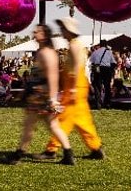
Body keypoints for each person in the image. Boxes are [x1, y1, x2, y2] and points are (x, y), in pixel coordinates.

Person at [36, 18, 104, 162]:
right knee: (83, 120)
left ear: (69, 30)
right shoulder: (76, 45)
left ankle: (51, 149)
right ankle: (96, 148)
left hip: (74, 87)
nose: (61, 31)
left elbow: (76, 67)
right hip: (77, 87)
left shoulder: (74, 46)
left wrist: (72, 89)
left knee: (62, 119)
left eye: (63, 28)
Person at [5, 24, 74, 166]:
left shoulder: (46, 53)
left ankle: (18, 154)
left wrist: (52, 99)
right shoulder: (43, 51)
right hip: (40, 94)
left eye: (38, 31)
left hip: (41, 95)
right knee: (52, 125)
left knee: (29, 125)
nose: (35, 33)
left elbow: (53, 76)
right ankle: (68, 154)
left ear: (45, 35)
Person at [88, 40, 115, 109]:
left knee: (97, 87)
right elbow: (113, 62)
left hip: (98, 69)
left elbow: (91, 61)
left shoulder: (95, 52)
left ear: (100, 45)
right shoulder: (109, 52)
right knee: (107, 87)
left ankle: (98, 104)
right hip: (106, 69)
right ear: (106, 45)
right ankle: (107, 104)